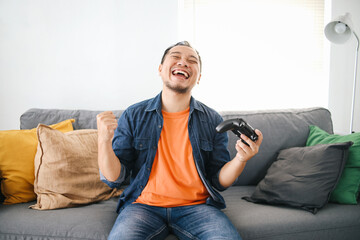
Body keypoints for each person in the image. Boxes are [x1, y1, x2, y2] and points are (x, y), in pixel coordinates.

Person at [96, 41, 263, 240]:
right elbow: (115, 178)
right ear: (160, 69)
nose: (183, 62)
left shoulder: (212, 120)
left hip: (197, 208)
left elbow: (219, 181)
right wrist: (103, 141)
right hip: (142, 207)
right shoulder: (134, 115)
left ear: (198, 77)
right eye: (176, 57)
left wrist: (240, 159)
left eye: (192, 61)